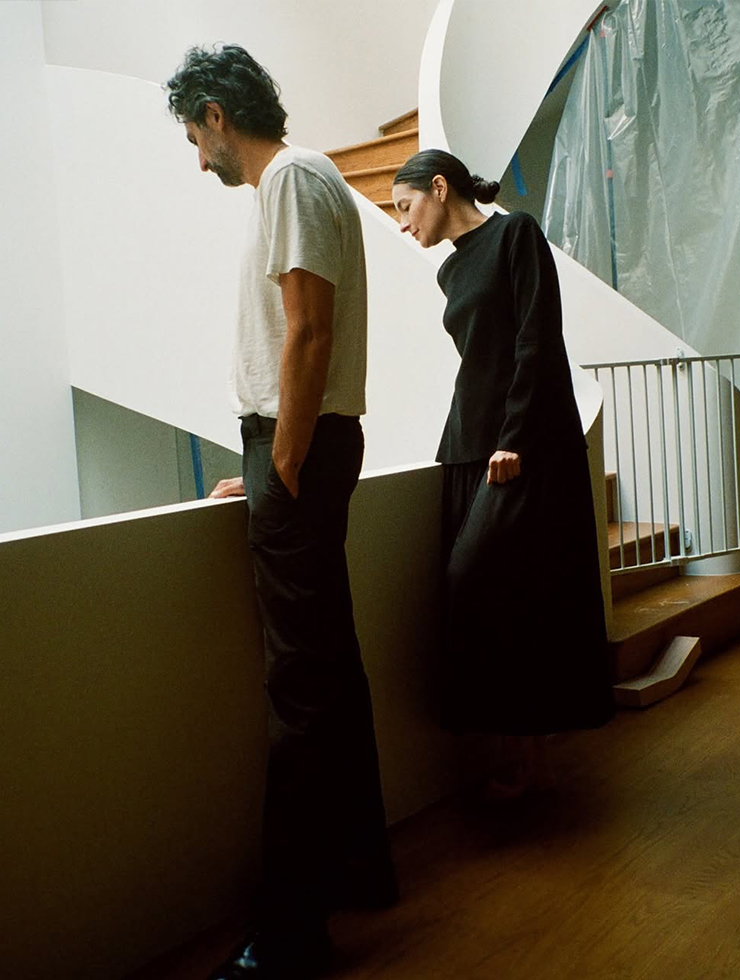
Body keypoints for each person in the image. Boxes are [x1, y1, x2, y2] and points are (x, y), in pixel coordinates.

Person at [165, 44, 395, 980]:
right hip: (295, 448)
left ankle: (291, 933)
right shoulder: (312, 180)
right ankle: (362, 869)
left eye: (193, 134)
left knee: (299, 692)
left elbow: (310, 329)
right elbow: (298, 339)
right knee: (328, 669)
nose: (197, 157)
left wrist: (283, 457)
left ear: (218, 114)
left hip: (299, 447)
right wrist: (260, 466)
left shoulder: (292, 177)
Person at [391, 149, 614, 801]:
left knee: (496, 584)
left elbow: (535, 340)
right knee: (484, 600)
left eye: (405, 208)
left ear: (439, 187)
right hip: (468, 445)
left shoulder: (515, 234)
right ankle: (512, 756)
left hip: (518, 449)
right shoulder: (449, 273)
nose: (404, 225)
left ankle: (534, 761)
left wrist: (514, 437)